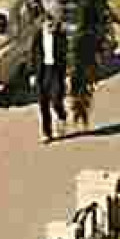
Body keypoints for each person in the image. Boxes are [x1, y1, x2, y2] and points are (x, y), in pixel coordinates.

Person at [30, 10, 70, 143]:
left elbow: (66, 55)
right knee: (43, 103)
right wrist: (32, 74)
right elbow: (33, 55)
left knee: (56, 99)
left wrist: (67, 74)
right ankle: (47, 133)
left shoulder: (60, 36)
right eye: (47, 24)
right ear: (43, 24)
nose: (50, 27)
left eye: (52, 24)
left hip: (56, 72)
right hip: (42, 72)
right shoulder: (38, 36)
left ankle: (62, 115)